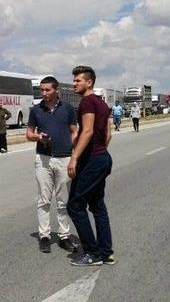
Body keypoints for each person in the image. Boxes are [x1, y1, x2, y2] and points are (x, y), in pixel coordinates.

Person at [67, 66, 114, 266]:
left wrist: (75, 158)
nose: (74, 83)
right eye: (74, 80)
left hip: (92, 160)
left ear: (89, 82)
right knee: (97, 205)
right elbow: (108, 134)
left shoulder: (87, 102)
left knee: (74, 206)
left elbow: (87, 131)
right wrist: (100, 152)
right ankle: (106, 252)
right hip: (102, 157)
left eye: (78, 80)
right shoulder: (102, 103)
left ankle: (92, 253)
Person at [26, 76, 78, 253]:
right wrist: (38, 137)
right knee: (44, 199)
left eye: (47, 90)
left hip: (64, 158)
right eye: (42, 90)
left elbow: (74, 132)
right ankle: (44, 236)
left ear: (56, 90)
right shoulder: (36, 110)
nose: (44, 93)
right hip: (43, 158)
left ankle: (64, 236)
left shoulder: (68, 108)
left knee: (63, 200)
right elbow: (29, 134)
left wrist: (74, 154)